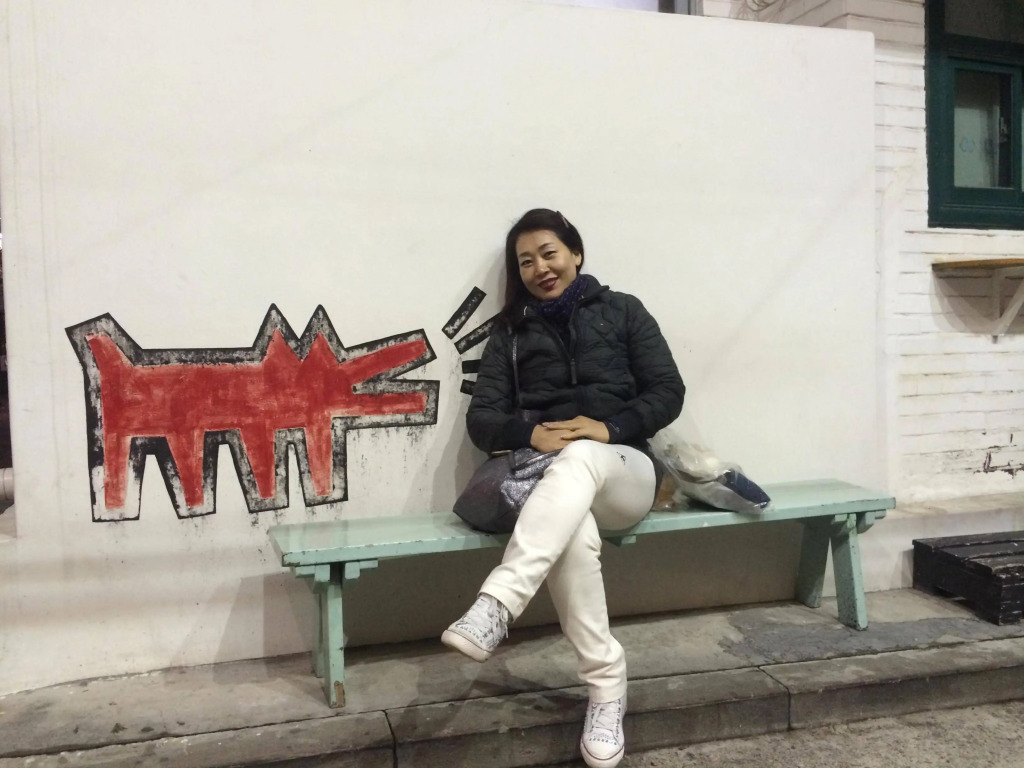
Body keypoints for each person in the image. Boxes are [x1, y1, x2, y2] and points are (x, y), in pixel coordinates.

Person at [442, 208, 685, 768]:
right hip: (553, 482)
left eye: (549, 253)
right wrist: (529, 433)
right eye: (525, 262)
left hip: (625, 471)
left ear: (575, 253)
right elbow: (483, 420)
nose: (540, 268)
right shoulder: (510, 334)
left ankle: (498, 602)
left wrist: (610, 428)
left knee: (580, 457)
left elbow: (667, 390)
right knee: (572, 532)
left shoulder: (624, 311)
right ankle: (606, 691)